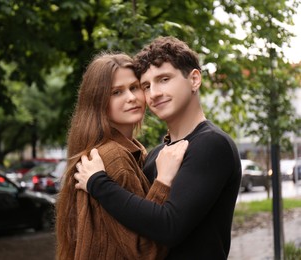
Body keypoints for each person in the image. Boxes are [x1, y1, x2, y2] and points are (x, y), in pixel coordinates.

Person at [74, 36, 242, 259]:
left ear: (194, 79)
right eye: (146, 85)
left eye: (164, 79)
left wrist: (98, 183)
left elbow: (168, 227)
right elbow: (135, 234)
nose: (154, 93)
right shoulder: (153, 155)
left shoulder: (212, 144)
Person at [55, 51, 188, 260]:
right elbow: (145, 252)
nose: (132, 98)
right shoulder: (113, 157)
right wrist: (163, 182)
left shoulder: (131, 150)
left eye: (134, 87)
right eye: (116, 92)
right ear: (98, 102)